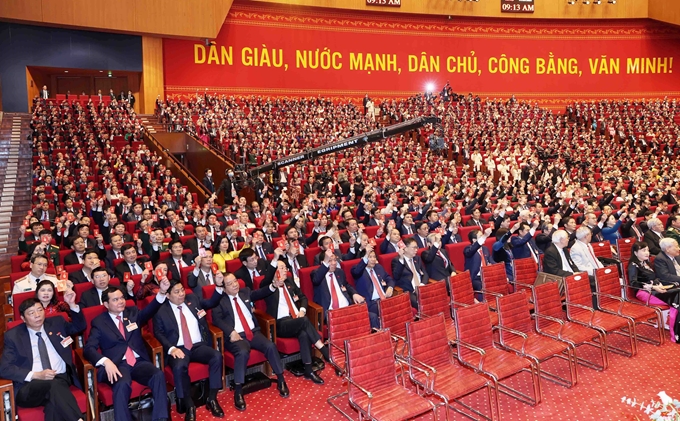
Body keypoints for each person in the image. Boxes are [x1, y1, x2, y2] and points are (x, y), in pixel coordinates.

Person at [83, 279, 171, 421]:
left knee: (158, 375)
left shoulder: (132, 313)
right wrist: (106, 362)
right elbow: (88, 349)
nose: (121, 302)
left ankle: (161, 418)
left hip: (138, 362)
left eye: (122, 298)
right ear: (106, 304)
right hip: (117, 364)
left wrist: (162, 292)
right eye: (115, 300)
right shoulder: (99, 322)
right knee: (122, 383)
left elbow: (149, 310)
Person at [0, 290, 85, 421]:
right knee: (54, 386)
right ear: (23, 318)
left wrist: (72, 305)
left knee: (54, 402)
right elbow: (4, 368)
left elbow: (79, 327)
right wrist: (37, 375)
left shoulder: (57, 322)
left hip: (61, 377)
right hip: (30, 386)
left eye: (40, 310)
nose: (37, 315)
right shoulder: (13, 336)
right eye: (31, 313)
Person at [212, 273, 289, 411]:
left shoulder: (245, 292)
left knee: (270, 346)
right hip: (236, 336)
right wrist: (230, 332)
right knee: (242, 352)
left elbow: (260, 293)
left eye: (235, 281)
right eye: (230, 284)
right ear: (223, 288)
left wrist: (273, 285)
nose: (234, 285)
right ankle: (238, 391)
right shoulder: (220, 301)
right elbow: (216, 320)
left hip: (253, 332)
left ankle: (281, 380)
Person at [153, 279, 226, 420]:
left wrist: (218, 286)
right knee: (179, 367)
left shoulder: (192, 299)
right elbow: (158, 333)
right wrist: (172, 349)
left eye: (182, 290)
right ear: (167, 295)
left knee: (216, 356)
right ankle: (189, 405)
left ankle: (212, 399)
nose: (181, 294)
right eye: (176, 292)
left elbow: (211, 303)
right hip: (179, 348)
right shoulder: (161, 310)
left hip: (198, 345)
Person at [260, 253, 330, 384]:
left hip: (296, 320)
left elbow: (303, 297)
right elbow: (268, 277)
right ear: (274, 271)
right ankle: (324, 351)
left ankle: (308, 370)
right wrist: (274, 262)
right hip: (280, 324)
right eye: (281, 268)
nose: (285, 270)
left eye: (286, 268)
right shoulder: (268, 286)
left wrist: (302, 310)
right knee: (304, 322)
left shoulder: (289, 281)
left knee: (303, 333)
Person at [628, 241, 680, 343]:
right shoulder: (633, 265)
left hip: (654, 289)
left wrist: (659, 285)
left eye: (647, 250)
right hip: (643, 292)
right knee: (676, 300)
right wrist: (653, 287)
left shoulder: (646, 263)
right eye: (643, 250)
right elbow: (633, 283)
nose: (647, 253)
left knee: (677, 293)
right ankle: (675, 334)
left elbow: (654, 278)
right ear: (635, 253)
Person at [312, 249, 365, 320]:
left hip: (347, 308)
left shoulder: (339, 272)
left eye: (335, 260)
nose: (334, 263)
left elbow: (346, 285)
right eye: (330, 261)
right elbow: (316, 280)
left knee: (371, 316)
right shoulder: (316, 274)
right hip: (331, 313)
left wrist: (354, 294)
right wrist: (325, 262)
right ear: (323, 262)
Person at [351, 249, 393, 328]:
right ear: (363, 258)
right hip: (371, 303)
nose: (373, 259)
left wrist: (390, 288)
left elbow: (389, 279)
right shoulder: (357, 270)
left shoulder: (379, 267)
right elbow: (356, 272)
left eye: (374, 257)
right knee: (388, 309)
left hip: (385, 298)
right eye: (370, 257)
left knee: (400, 306)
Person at [392, 237, 429, 308]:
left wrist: (422, 285)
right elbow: (396, 276)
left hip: (422, 288)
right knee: (421, 304)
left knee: (437, 297)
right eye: (414, 248)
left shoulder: (417, 258)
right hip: (410, 291)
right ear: (405, 248)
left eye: (417, 247)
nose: (416, 250)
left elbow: (425, 274)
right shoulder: (397, 261)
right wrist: (401, 259)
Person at [463, 228, 494, 294]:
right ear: (474, 240)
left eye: (482, 236)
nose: (483, 238)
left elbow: (491, 260)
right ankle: (482, 300)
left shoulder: (485, 248)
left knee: (498, 281)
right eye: (480, 236)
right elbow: (471, 251)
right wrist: (485, 236)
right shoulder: (468, 249)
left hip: (486, 275)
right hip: (475, 277)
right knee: (482, 286)